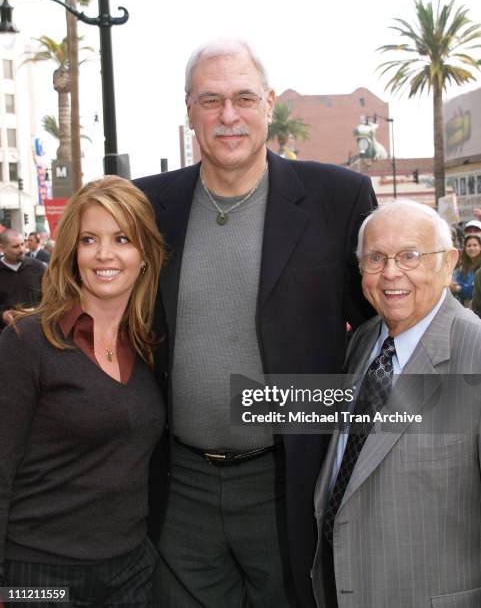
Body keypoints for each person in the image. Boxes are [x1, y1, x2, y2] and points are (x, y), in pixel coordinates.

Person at [134, 38, 376, 608]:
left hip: (291, 483)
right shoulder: (146, 205)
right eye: (210, 100)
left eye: (243, 98)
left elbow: (378, 334)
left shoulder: (338, 198)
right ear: (188, 109)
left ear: (267, 102)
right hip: (179, 486)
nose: (228, 116)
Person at [0, 176, 165, 607]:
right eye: (89, 239)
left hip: (132, 572)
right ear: (73, 252)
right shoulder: (29, 340)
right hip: (38, 575)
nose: (104, 254)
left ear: (144, 254)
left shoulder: (152, 347)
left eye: (122, 238)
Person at [312, 200, 481, 608]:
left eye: (410, 256)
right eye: (375, 258)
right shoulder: (365, 341)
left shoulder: (473, 352)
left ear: (449, 262)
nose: (391, 272)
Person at [0, 229, 46, 332]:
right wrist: (3, 315)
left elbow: (52, 297)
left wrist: (37, 311)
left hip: (37, 331)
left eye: (22, 244)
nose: (22, 249)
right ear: (2, 248)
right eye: (16, 246)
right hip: (6, 333)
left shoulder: (38, 267)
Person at [451, 234, 481, 306]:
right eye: (469, 246)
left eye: (475, 245)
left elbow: (473, 292)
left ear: (480, 247)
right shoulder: (462, 266)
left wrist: (458, 288)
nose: (471, 248)